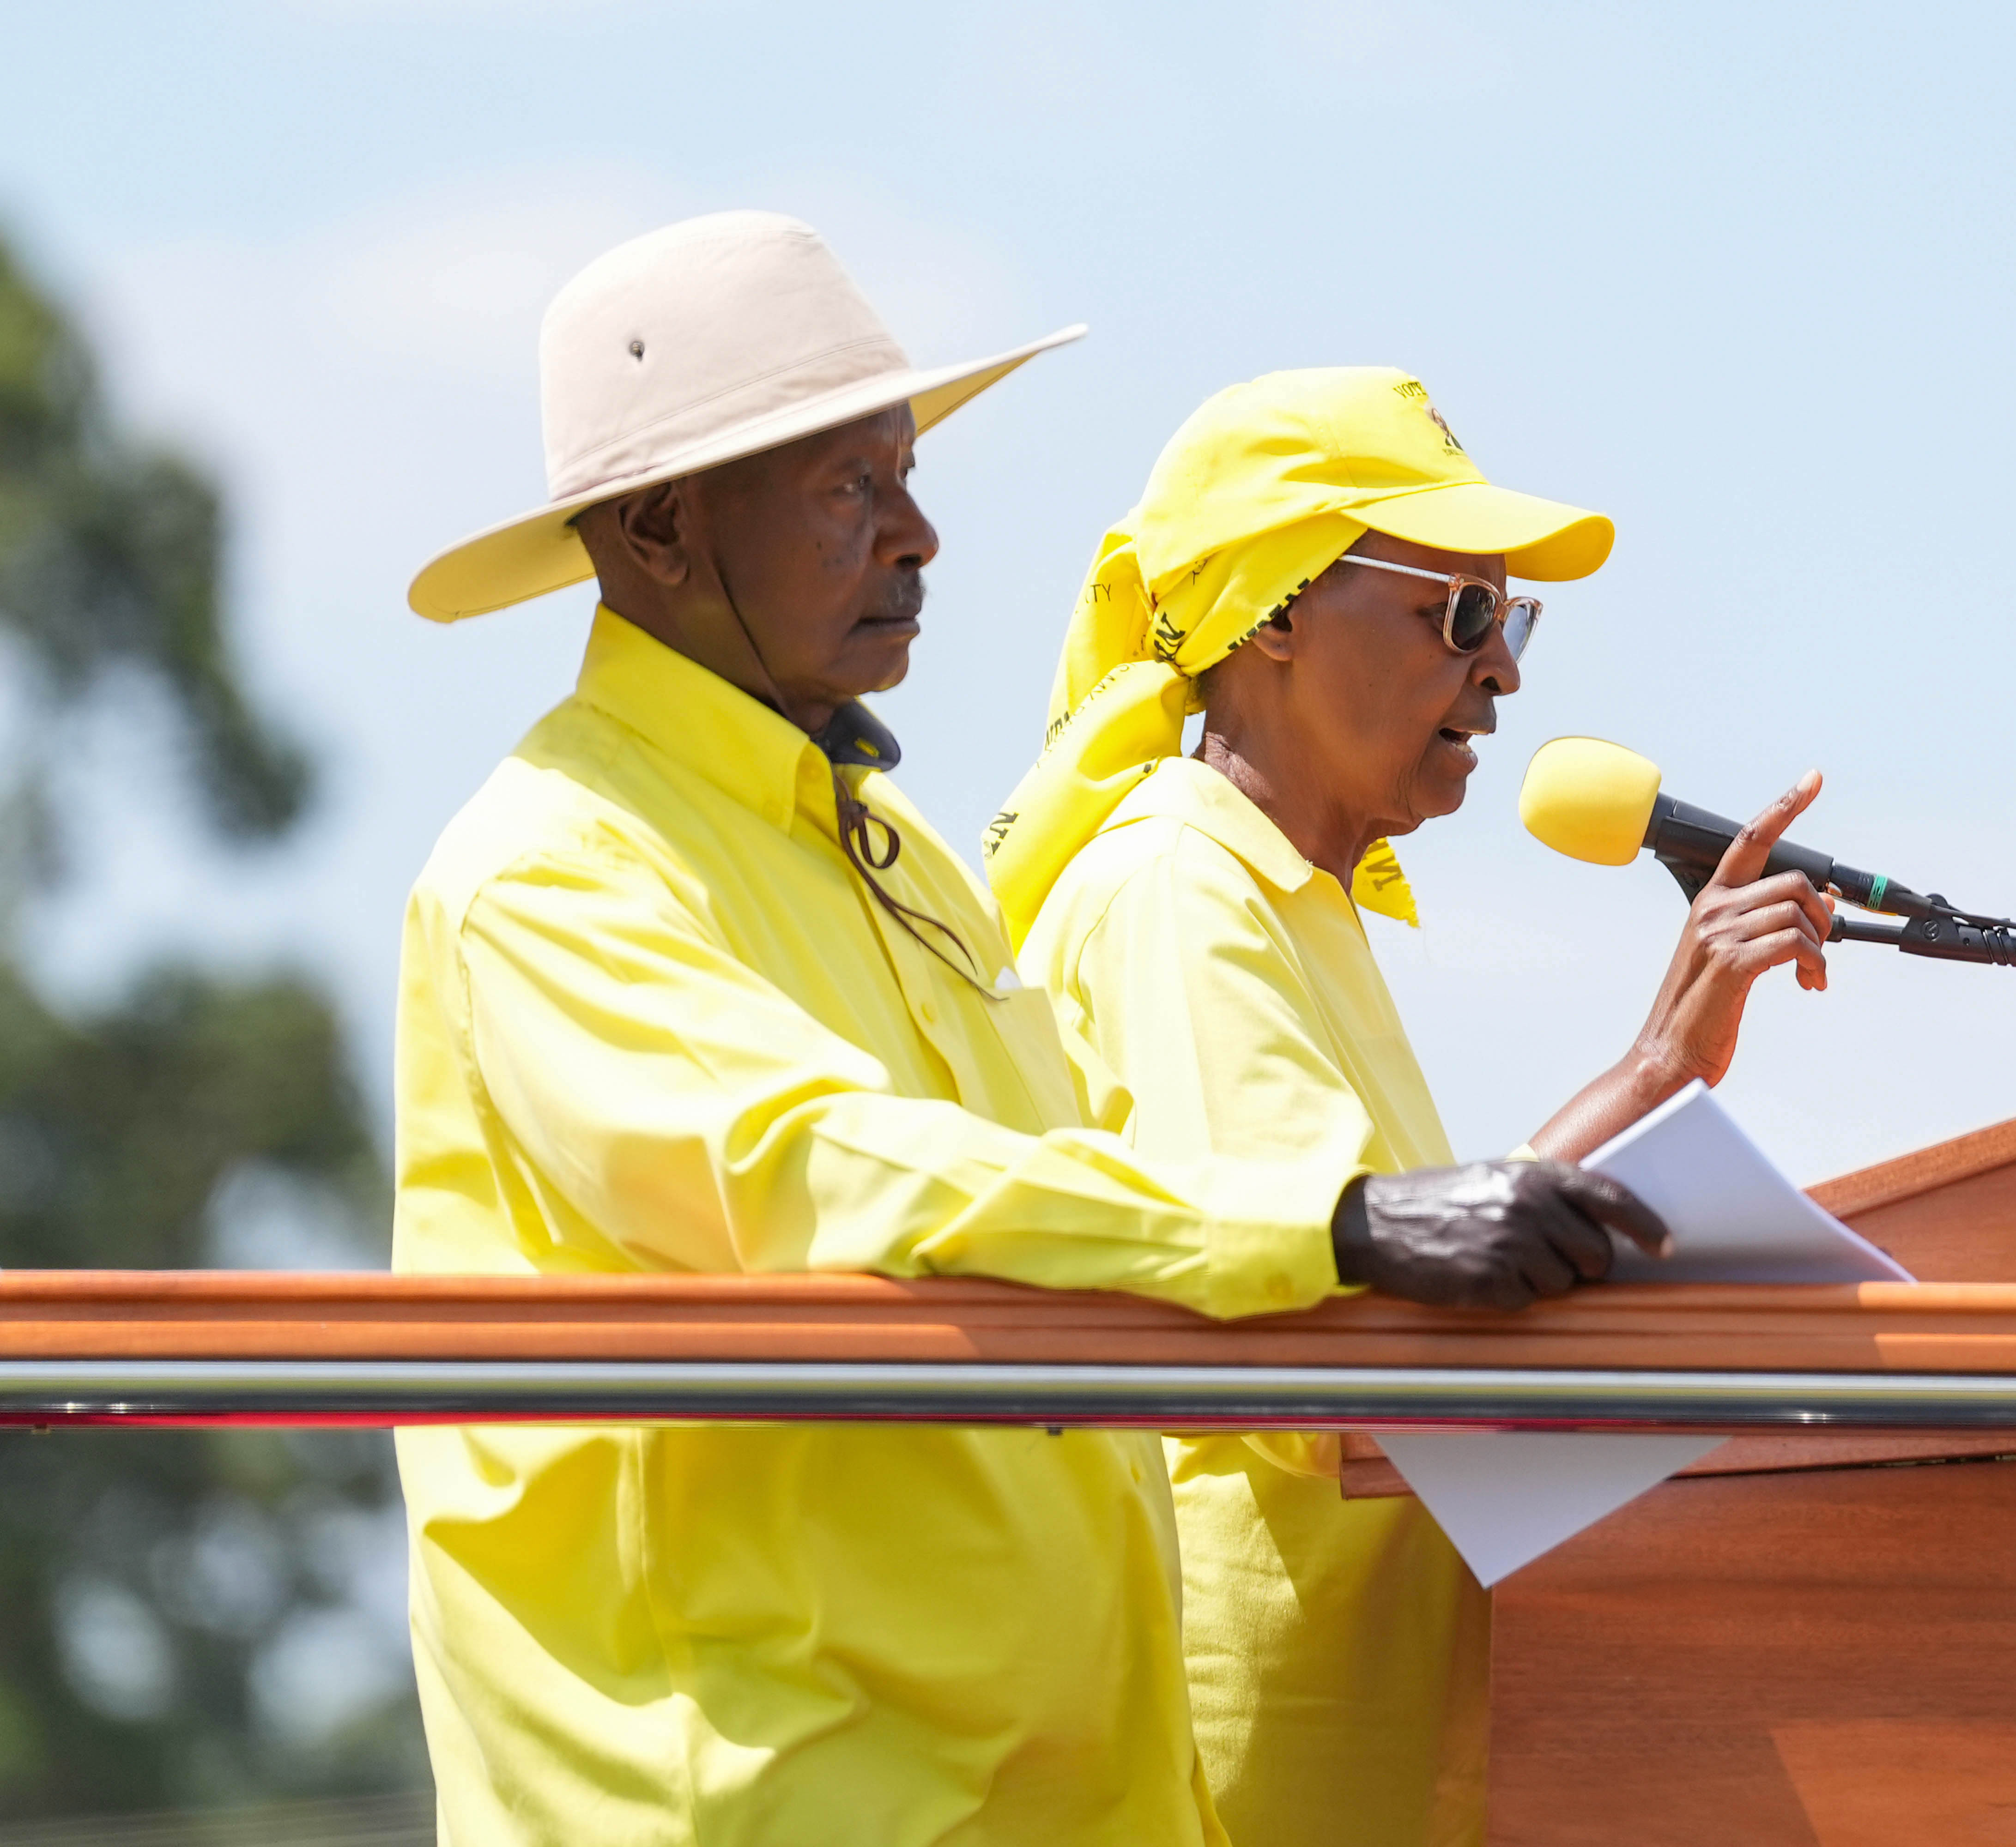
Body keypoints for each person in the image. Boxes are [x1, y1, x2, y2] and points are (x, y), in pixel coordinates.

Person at [391, 217, 1667, 1847]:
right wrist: (1341, 1224)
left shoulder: (892, 846)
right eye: (851, 490)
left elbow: (1054, 1211)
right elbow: (815, 1175)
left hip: (1047, 1795)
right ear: (655, 531)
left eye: (910, 475)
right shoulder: (546, 869)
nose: (922, 536)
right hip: (780, 1803)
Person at [994, 368, 1837, 1847]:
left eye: (1512, 625)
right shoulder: (1180, 890)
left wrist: (1658, 1069)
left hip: (1354, 1735)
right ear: (1269, 615)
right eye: (1459, 616)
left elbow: (1377, 1259)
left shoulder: (1292, 901)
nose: (1504, 674)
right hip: (1243, 1761)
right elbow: (1336, 1312)